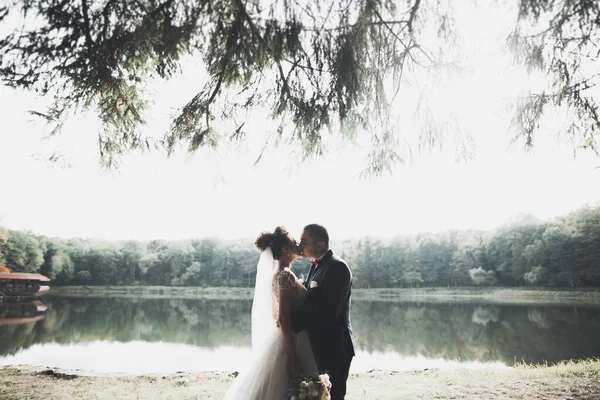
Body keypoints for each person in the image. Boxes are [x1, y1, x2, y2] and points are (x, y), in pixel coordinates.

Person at [223, 226, 319, 400]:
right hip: (294, 339)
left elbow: (275, 314)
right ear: (285, 249)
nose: (299, 244)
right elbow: (282, 317)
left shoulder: (277, 275)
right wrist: (292, 357)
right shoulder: (286, 276)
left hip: (284, 337)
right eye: (294, 242)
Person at [293, 223, 355, 400]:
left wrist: (292, 321)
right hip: (317, 344)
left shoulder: (338, 267)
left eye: (304, 241)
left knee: (335, 395)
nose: (300, 245)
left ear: (319, 245)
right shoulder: (315, 265)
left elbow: (328, 313)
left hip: (335, 345)